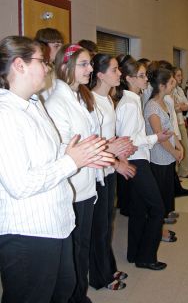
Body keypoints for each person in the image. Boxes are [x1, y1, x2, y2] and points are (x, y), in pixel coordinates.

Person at [0, 36, 114, 303]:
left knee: (64, 287)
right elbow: (19, 185)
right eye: (43, 62)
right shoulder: (5, 114)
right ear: (19, 65)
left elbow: (48, 156)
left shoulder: (33, 105)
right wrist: (71, 161)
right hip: (28, 231)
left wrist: (80, 153)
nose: (48, 68)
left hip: (55, 222)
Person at [116, 57, 174, 269]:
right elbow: (128, 141)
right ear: (129, 78)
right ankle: (146, 256)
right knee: (157, 209)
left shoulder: (131, 101)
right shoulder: (130, 104)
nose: (145, 79)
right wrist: (155, 139)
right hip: (136, 161)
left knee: (139, 209)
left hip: (138, 159)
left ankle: (135, 253)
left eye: (144, 75)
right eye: (140, 76)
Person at [89, 53, 136, 291]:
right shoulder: (91, 102)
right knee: (99, 228)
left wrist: (120, 148)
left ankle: (107, 267)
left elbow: (108, 137)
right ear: (100, 74)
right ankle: (100, 277)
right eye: (115, 70)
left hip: (108, 170)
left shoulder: (107, 99)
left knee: (107, 224)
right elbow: (94, 143)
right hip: (98, 172)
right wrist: (116, 160)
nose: (120, 74)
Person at [144, 67, 183, 226]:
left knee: (167, 186)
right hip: (159, 155)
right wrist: (174, 152)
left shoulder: (166, 101)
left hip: (169, 153)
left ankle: (166, 212)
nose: (173, 85)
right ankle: (159, 223)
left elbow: (170, 129)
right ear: (161, 86)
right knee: (159, 189)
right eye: (170, 83)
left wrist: (179, 145)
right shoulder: (152, 107)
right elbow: (159, 136)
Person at [172, 67, 188, 179]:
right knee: (175, 149)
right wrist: (180, 107)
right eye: (178, 75)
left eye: (181, 75)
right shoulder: (169, 90)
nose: (181, 78)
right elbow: (173, 108)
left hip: (180, 122)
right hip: (173, 124)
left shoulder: (180, 90)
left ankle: (184, 171)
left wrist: (180, 107)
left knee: (186, 147)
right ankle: (175, 175)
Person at [34, 27, 64, 101]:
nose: (60, 50)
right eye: (56, 46)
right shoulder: (37, 71)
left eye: (61, 46)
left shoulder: (55, 69)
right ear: (43, 46)